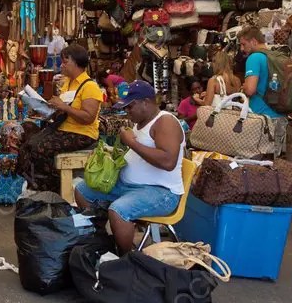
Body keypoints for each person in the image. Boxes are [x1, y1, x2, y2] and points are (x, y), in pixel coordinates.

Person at [74, 80, 185, 253]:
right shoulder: (140, 122)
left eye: (130, 107)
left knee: (118, 211)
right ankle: (101, 240)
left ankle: (126, 260)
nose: (127, 111)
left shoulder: (165, 122)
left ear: (146, 103)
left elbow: (168, 161)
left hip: (161, 192)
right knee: (82, 190)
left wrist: (131, 143)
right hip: (129, 186)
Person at [17, 43, 102, 192]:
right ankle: (35, 185)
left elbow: (88, 117)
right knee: (27, 144)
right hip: (63, 129)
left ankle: (52, 189)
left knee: (40, 148)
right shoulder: (67, 83)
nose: (62, 65)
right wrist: (46, 107)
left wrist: (64, 107)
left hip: (82, 134)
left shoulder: (90, 86)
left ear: (75, 63)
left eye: (65, 61)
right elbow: (63, 110)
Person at [238, 26, 285, 119]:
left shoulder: (254, 57)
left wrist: (244, 87)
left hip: (260, 117)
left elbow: (250, 90)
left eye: (244, 44)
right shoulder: (276, 57)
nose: (241, 49)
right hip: (280, 115)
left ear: (254, 41)